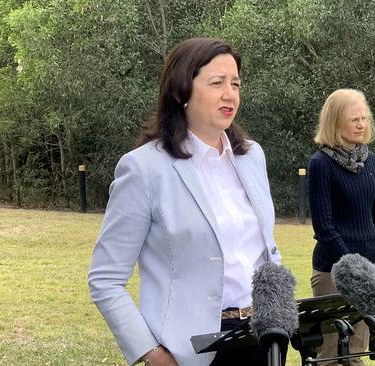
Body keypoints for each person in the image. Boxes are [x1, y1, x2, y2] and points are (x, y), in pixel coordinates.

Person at [88, 38, 281, 366]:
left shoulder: (252, 156)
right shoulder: (144, 169)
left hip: (264, 337)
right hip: (191, 352)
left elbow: (265, 250)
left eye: (235, 83)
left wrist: (279, 313)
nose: (230, 94)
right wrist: (150, 353)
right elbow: (105, 278)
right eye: (217, 83)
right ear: (181, 92)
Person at [308, 88, 375, 366]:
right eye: (354, 119)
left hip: (369, 272)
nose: (361, 124)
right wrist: (353, 266)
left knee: (356, 354)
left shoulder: (371, 162)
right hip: (333, 272)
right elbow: (324, 228)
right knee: (331, 355)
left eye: (364, 118)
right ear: (335, 122)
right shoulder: (321, 164)